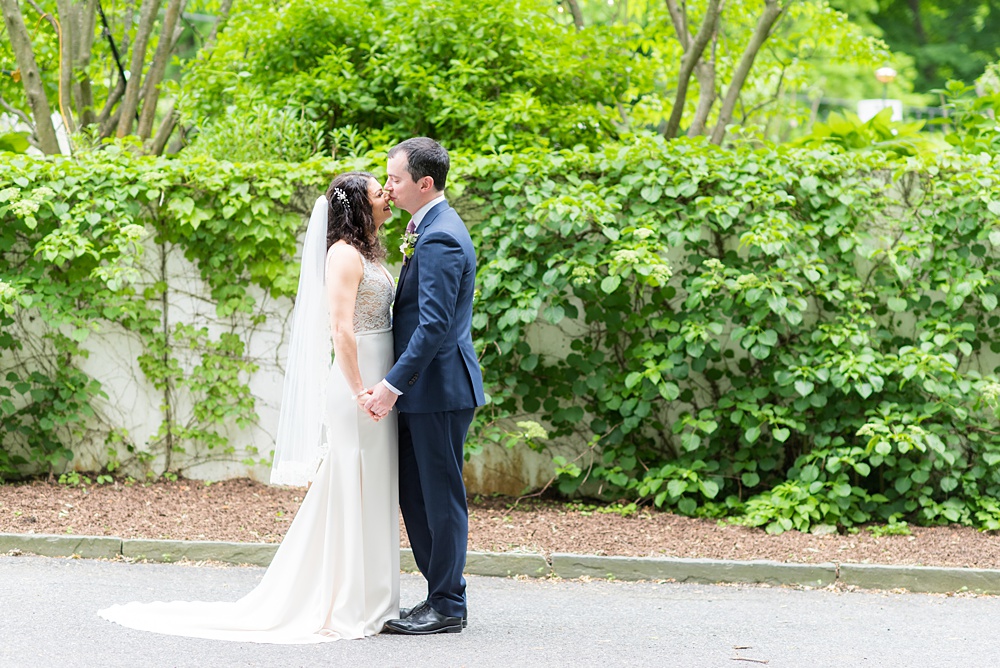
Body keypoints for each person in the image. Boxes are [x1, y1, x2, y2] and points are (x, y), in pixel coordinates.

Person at [98, 172, 399, 643]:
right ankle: (345, 602)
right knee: (348, 485)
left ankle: (374, 599)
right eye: (378, 193)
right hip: (356, 383)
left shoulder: (370, 253)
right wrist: (361, 389)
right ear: (357, 207)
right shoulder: (342, 254)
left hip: (380, 378)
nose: (387, 197)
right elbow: (341, 328)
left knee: (374, 486)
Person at [364, 137, 486, 635]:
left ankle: (449, 605)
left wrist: (391, 385)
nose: (389, 188)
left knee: (440, 497)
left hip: (439, 389)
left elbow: (433, 325)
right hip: (425, 390)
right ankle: (438, 594)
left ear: (424, 182)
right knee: (415, 495)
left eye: (394, 179)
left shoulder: (440, 236)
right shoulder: (429, 227)